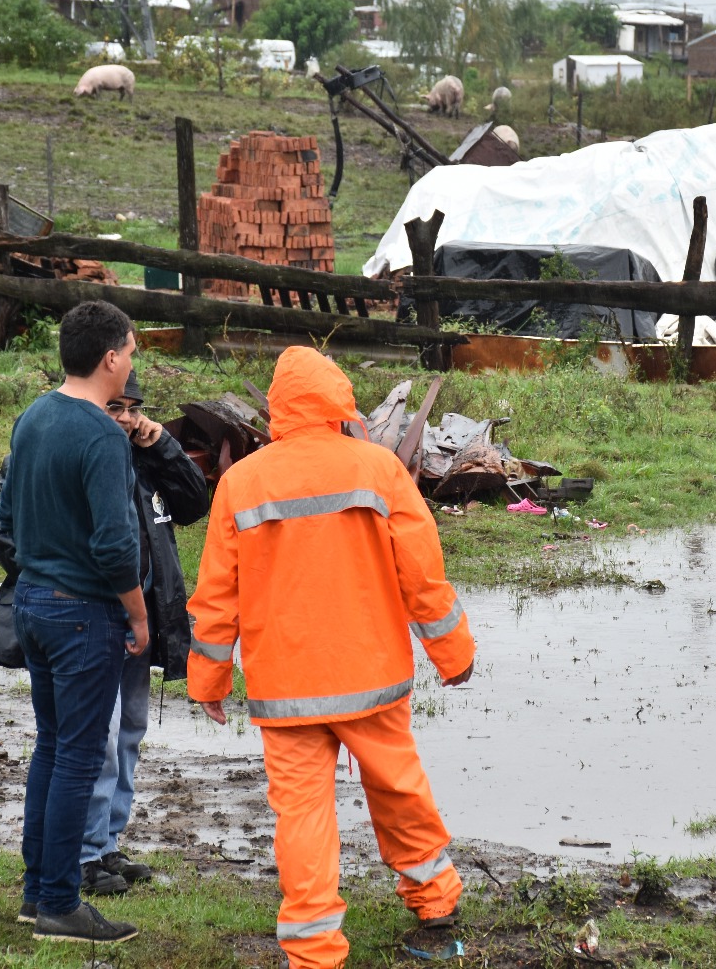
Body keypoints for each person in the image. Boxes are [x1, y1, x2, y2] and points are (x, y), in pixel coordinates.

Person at [186, 346, 476, 969]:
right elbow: (421, 574)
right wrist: (453, 654)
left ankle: (315, 952)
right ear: (340, 402)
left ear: (279, 409)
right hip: (370, 677)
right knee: (398, 789)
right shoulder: (378, 470)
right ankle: (435, 904)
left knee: (301, 818)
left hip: (285, 688)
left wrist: (207, 680)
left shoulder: (242, 481)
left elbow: (215, 595)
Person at [0, 300, 146, 945]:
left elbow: (9, 517)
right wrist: (137, 615)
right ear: (110, 357)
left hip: (33, 602)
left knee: (53, 751)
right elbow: (115, 544)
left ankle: (37, 896)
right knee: (78, 759)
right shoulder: (101, 434)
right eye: (132, 352)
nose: (133, 361)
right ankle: (59, 902)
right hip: (84, 614)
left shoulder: (35, 415)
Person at [76, 368, 208, 895]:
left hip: (144, 617)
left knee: (130, 729)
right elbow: (14, 534)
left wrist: (165, 447)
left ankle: (108, 843)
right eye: (116, 408)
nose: (127, 419)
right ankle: (85, 853)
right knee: (99, 739)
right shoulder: (77, 449)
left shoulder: (143, 455)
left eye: (134, 408)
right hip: (95, 616)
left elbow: (195, 504)